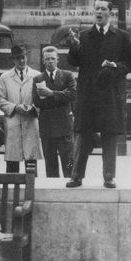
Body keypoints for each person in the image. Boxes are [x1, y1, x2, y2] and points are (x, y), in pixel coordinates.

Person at [66, 0, 131, 189]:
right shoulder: (84, 36)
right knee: (82, 136)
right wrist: (73, 46)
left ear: (110, 13)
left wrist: (115, 66)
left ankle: (109, 177)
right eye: (96, 8)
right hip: (87, 96)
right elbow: (74, 61)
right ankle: (76, 176)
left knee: (109, 136)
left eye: (103, 9)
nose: (98, 12)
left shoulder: (122, 37)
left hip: (110, 95)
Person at [0, 44, 43, 173]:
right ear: (13, 60)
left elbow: (42, 98)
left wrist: (33, 109)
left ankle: (32, 191)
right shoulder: (4, 77)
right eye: (18, 58)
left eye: (23, 57)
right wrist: (15, 107)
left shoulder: (37, 75)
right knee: (12, 162)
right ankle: (11, 191)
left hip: (31, 121)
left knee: (31, 161)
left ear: (26, 57)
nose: (21, 61)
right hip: (13, 122)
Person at [32, 45, 76, 178]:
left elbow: (73, 95)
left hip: (64, 126)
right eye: (47, 59)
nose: (50, 61)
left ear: (58, 60)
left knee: (68, 161)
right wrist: (61, 98)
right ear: (43, 61)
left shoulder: (68, 75)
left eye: (52, 58)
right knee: (50, 163)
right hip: (47, 126)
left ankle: (70, 187)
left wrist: (51, 94)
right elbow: (37, 101)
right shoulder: (38, 79)